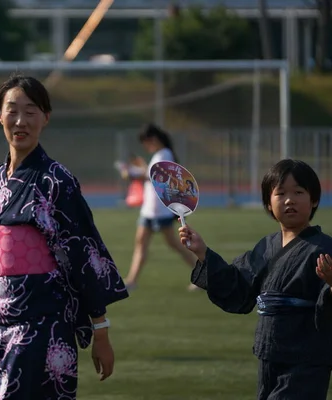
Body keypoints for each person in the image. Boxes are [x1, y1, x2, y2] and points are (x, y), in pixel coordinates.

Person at [0, 74, 129, 399]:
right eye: (12, 110)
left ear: (46, 118)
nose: (21, 121)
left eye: (31, 111)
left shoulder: (57, 181)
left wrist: (100, 330)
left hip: (43, 328)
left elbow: (84, 254)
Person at [179, 159, 332, 400]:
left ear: (313, 199)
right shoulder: (266, 247)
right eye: (280, 193)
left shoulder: (324, 249)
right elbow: (238, 285)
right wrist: (202, 252)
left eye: (299, 192)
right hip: (268, 352)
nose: (289, 200)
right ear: (268, 204)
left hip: (307, 358)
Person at [119, 123, 198, 291]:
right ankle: (132, 280)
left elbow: (153, 177)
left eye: (146, 143)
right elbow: (150, 172)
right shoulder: (160, 154)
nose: (146, 147)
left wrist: (131, 173)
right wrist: (138, 168)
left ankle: (201, 274)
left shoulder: (165, 154)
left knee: (175, 245)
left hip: (160, 211)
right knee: (141, 242)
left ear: (153, 140)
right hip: (150, 209)